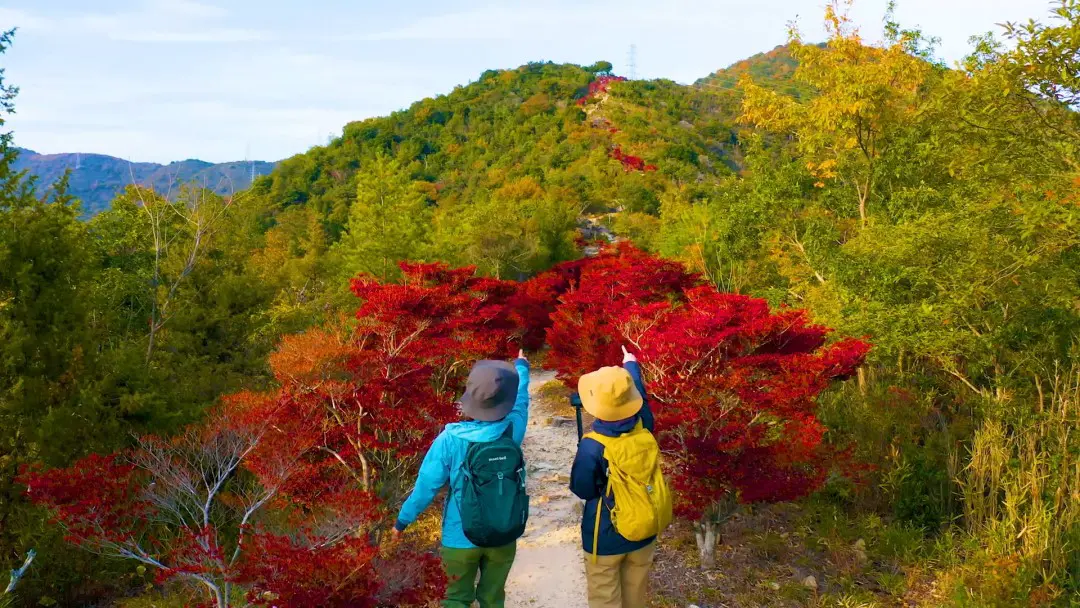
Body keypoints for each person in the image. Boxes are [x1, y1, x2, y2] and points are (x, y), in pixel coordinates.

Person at [392, 351, 530, 608]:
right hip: (504, 531)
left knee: (455, 598)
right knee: (493, 598)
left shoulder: (450, 439)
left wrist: (402, 522)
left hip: (459, 535)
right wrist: (521, 366)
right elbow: (522, 400)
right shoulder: (513, 429)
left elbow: (426, 487)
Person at [570, 345, 661, 608]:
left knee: (605, 599)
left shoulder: (592, 445)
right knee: (636, 596)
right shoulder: (644, 425)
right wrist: (631, 365)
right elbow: (638, 397)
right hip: (644, 528)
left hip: (606, 536)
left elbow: (583, 489)